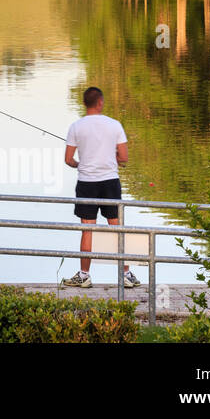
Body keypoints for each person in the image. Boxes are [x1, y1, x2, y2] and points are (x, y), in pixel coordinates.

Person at [61, 86, 140, 288]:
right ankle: (126, 275)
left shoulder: (76, 127)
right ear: (100, 102)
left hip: (86, 183)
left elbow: (69, 160)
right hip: (110, 183)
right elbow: (124, 158)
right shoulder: (114, 125)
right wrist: (110, 157)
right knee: (116, 228)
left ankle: (84, 275)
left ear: (85, 103)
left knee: (87, 229)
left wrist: (82, 164)